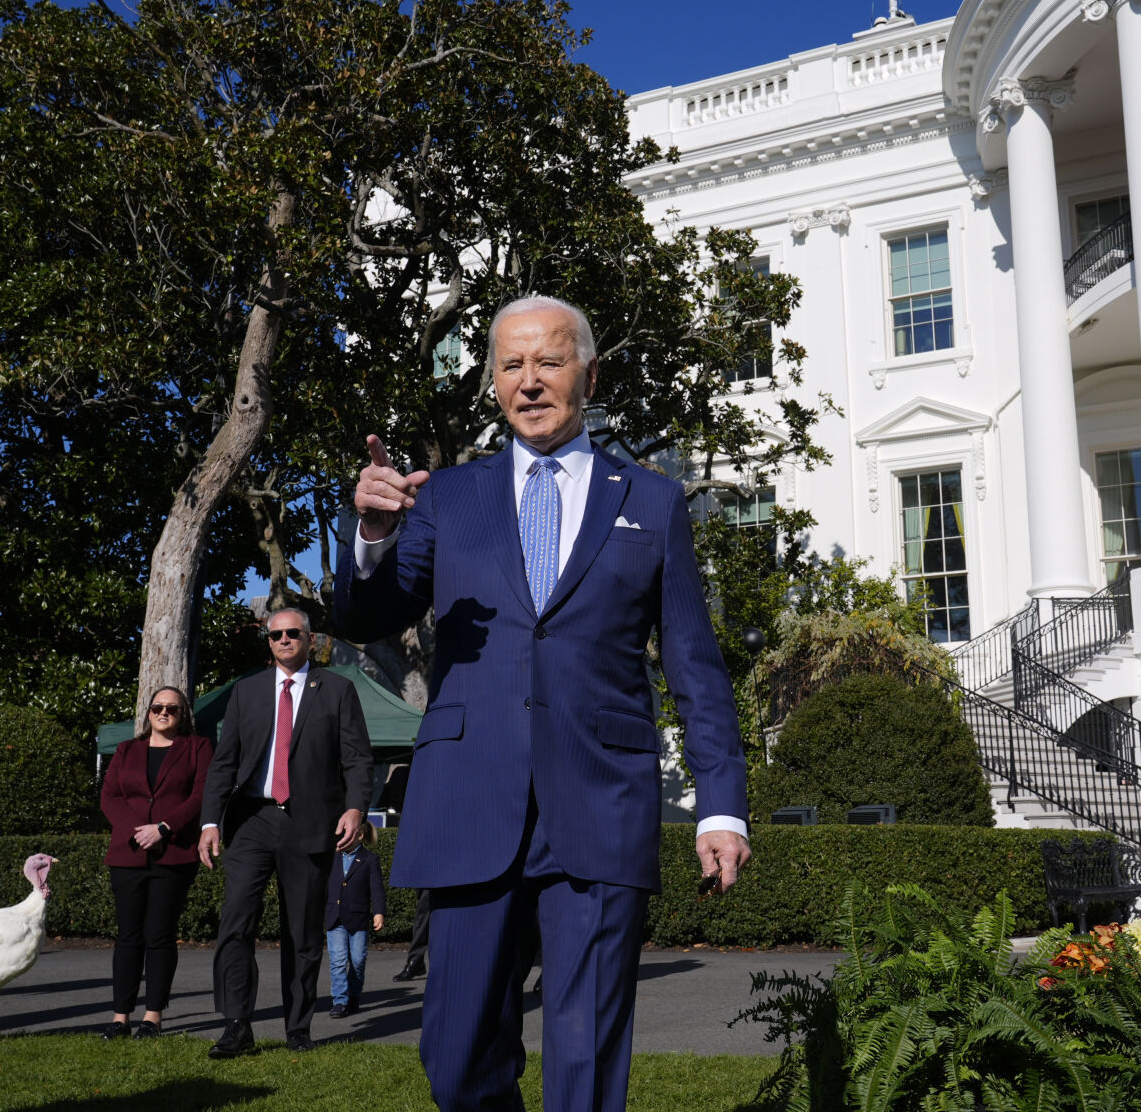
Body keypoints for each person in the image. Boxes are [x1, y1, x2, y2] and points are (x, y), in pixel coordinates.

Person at [335, 293, 751, 1112]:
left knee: (583, 1053)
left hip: (600, 802)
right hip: (466, 801)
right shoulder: (448, 498)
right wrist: (372, 537)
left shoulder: (653, 501)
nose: (529, 382)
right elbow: (366, 616)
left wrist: (721, 808)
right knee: (455, 1058)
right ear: (491, 381)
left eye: (549, 362)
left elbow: (695, 666)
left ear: (588, 375)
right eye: (510, 365)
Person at [198, 608, 374, 1057]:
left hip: (309, 823)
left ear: (309, 639)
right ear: (269, 641)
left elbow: (356, 759)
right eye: (275, 634)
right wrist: (211, 821)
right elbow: (224, 763)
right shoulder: (247, 691)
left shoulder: (337, 689)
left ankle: (298, 1028)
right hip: (252, 821)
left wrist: (355, 808)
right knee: (235, 922)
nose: (283, 640)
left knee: (303, 932)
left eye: (293, 633)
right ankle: (237, 1026)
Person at [99, 685, 214, 1040]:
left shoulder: (198, 748)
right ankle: (121, 1017)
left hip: (174, 854)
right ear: (147, 713)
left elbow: (201, 794)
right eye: (157, 707)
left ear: (183, 716)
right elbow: (109, 796)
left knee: (159, 936)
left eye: (172, 709)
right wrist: (139, 831)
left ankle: (153, 1017)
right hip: (128, 853)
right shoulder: (126, 749)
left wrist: (163, 828)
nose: (163, 713)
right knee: (128, 937)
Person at [324, 822, 385, 1017]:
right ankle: (340, 1001)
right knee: (338, 961)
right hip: (335, 916)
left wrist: (378, 912)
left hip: (358, 918)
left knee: (358, 960)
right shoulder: (331, 857)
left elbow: (376, 888)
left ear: (359, 836)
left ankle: (354, 995)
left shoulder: (369, 859)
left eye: (347, 833)